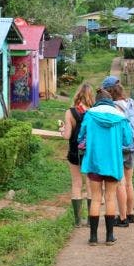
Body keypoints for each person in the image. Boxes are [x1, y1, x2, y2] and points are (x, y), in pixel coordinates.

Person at [78, 89, 132, 245]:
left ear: (97, 100)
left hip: (94, 162)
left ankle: (93, 237)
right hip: (113, 163)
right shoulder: (120, 117)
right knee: (110, 198)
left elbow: (81, 136)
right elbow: (127, 140)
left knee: (95, 199)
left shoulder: (90, 115)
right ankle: (109, 237)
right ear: (110, 101)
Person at [102, 75, 134, 227]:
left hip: (120, 147)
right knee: (129, 182)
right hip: (133, 145)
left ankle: (122, 218)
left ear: (109, 91)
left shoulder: (113, 107)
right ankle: (130, 214)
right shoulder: (131, 103)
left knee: (120, 183)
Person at [59, 82, 95, 227]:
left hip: (74, 152)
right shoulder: (94, 112)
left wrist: (62, 131)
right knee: (90, 184)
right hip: (90, 152)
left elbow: (67, 136)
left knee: (76, 183)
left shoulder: (70, 112)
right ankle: (92, 220)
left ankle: (78, 221)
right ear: (90, 95)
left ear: (77, 94)